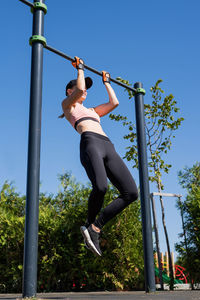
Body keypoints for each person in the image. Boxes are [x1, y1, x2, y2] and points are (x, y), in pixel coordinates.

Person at [60, 56, 138, 257]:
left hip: (107, 145)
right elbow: (78, 90)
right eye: (81, 87)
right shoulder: (68, 105)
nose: (85, 89)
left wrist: (107, 83)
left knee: (131, 192)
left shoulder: (93, 111)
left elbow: (114, 102)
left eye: (87, 87)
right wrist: (80, 70)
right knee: (101, 187)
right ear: (69, 91)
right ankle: (88, 225)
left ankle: (95, 227)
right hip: (90, 143)